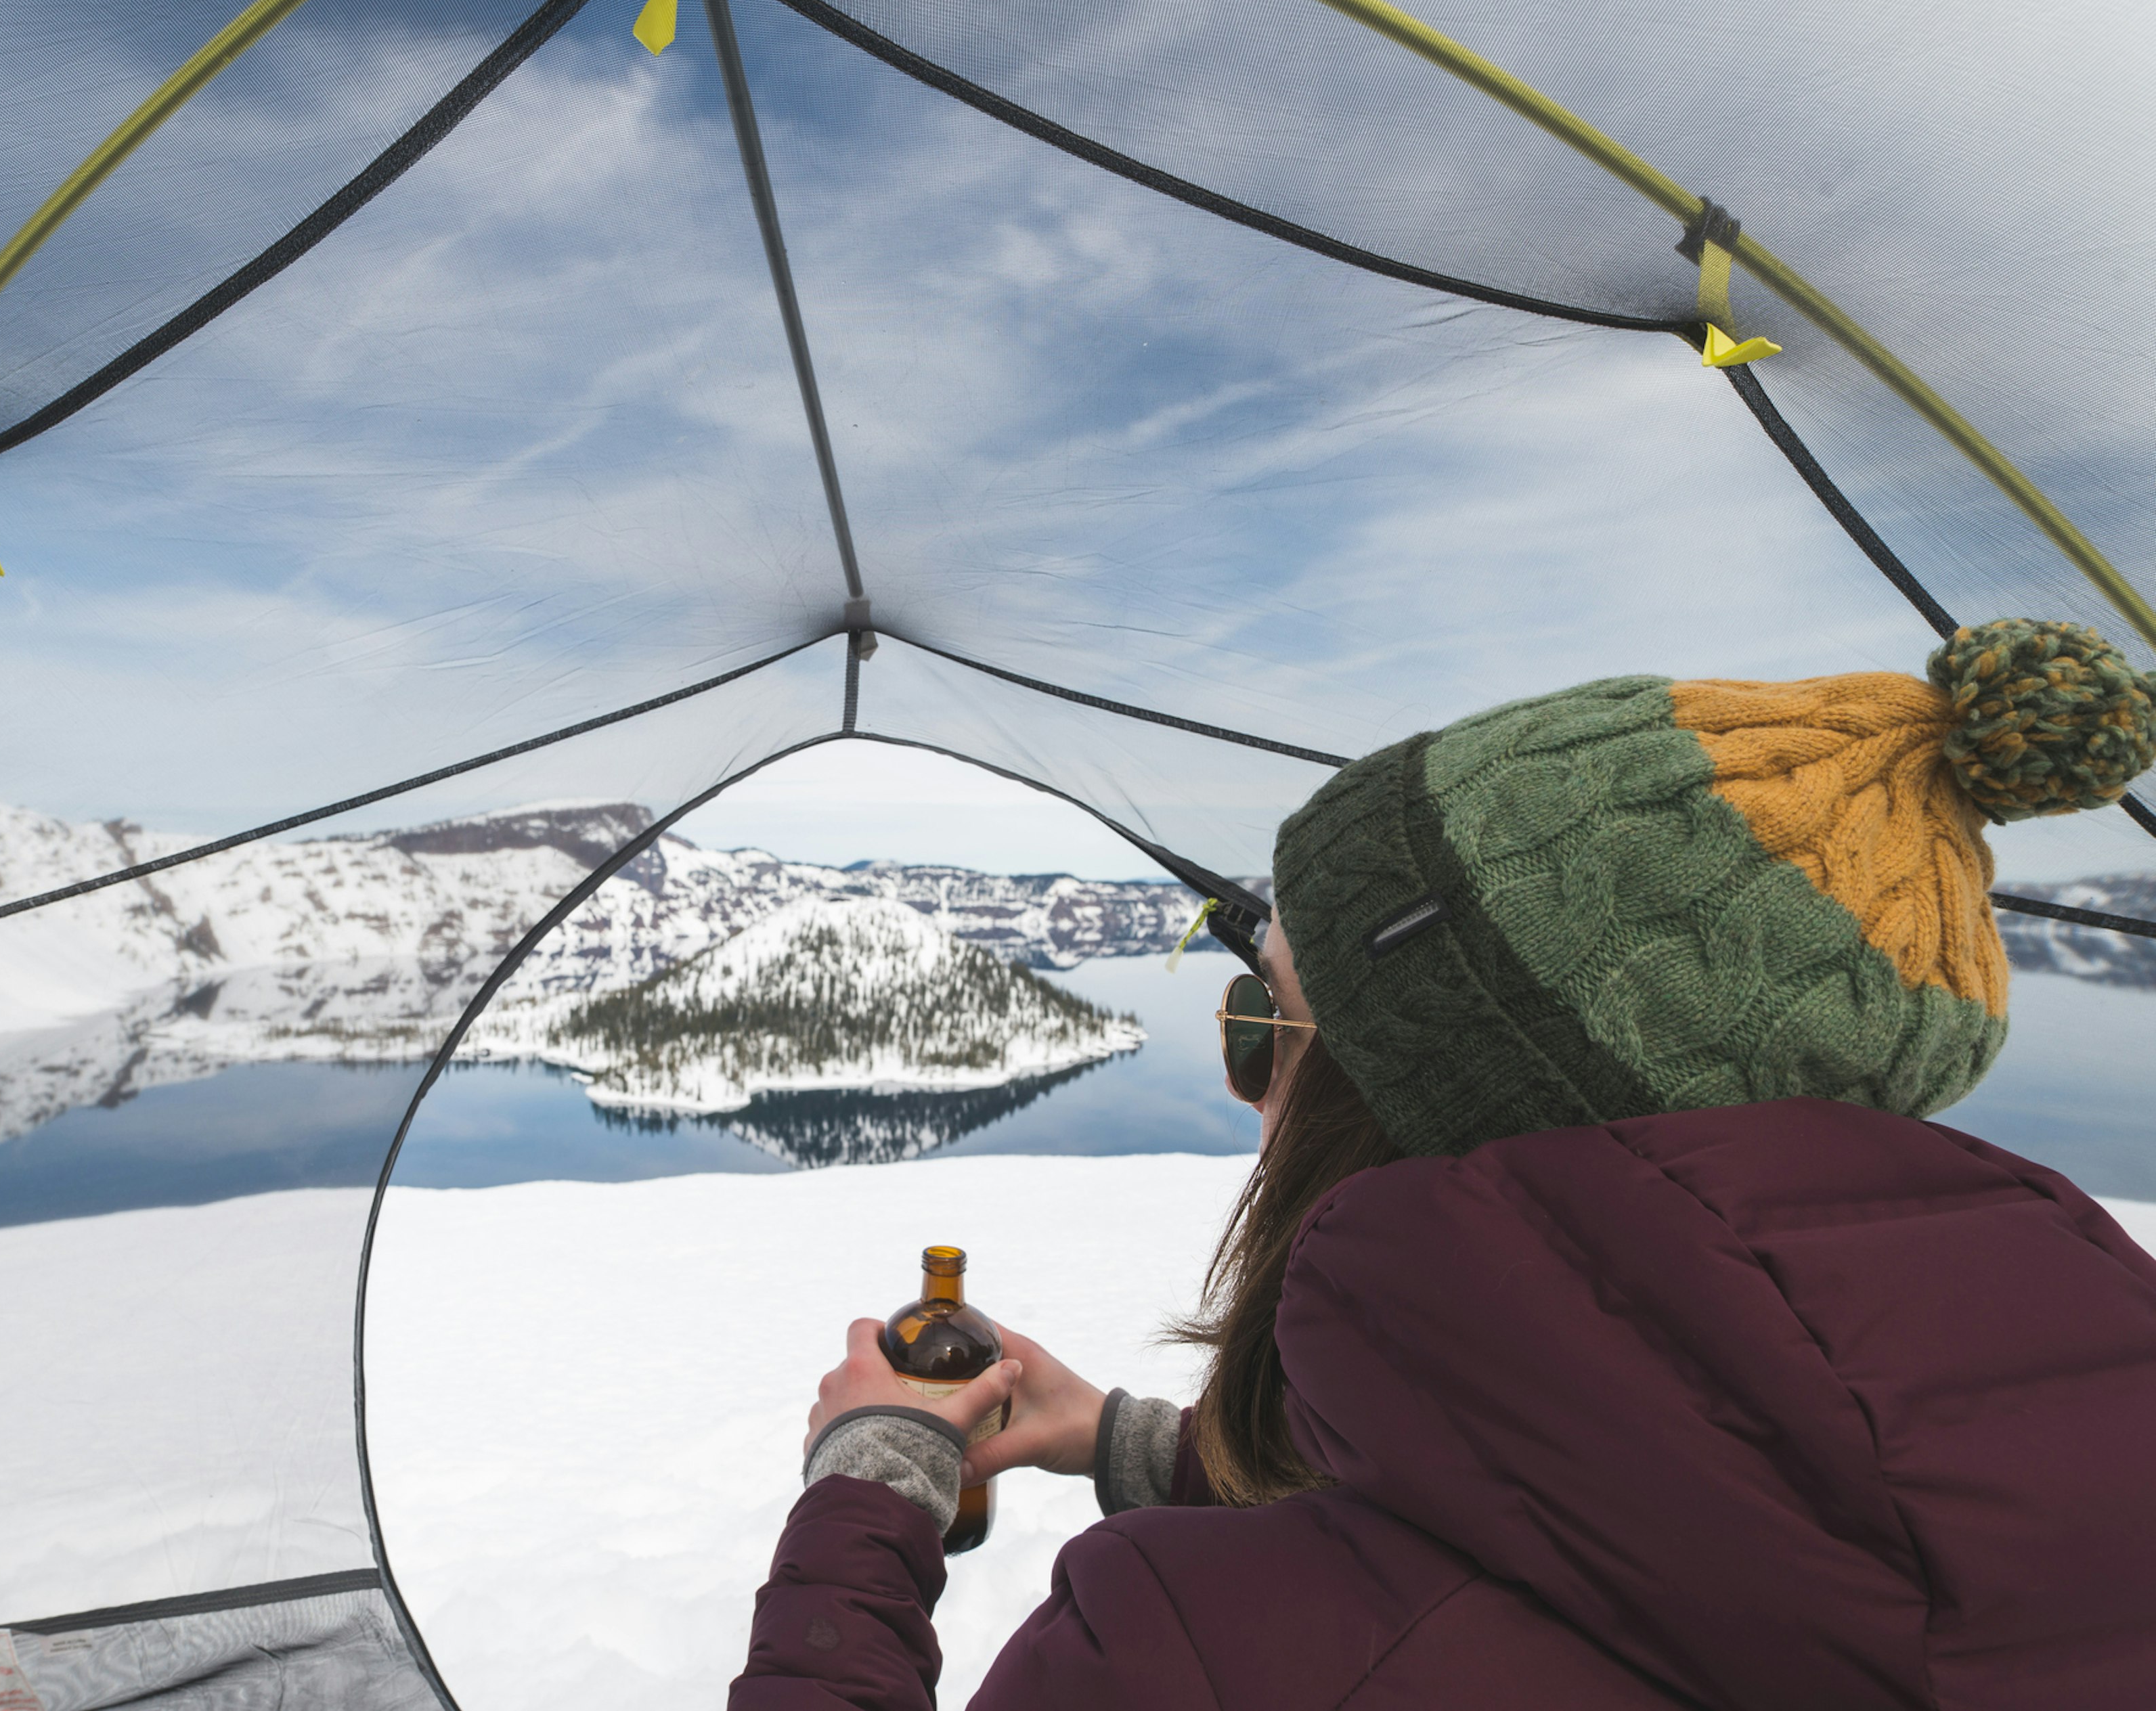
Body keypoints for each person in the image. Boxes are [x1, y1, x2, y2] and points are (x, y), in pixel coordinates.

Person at [730, 620, 2156, 1710]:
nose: (1252, 1090)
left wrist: (874, 1488)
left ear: (1417, 1096)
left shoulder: (1201, 1653)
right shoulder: (2066, 1478)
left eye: (1262, 1024)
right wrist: (1135, 1447)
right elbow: (1616, 1526)